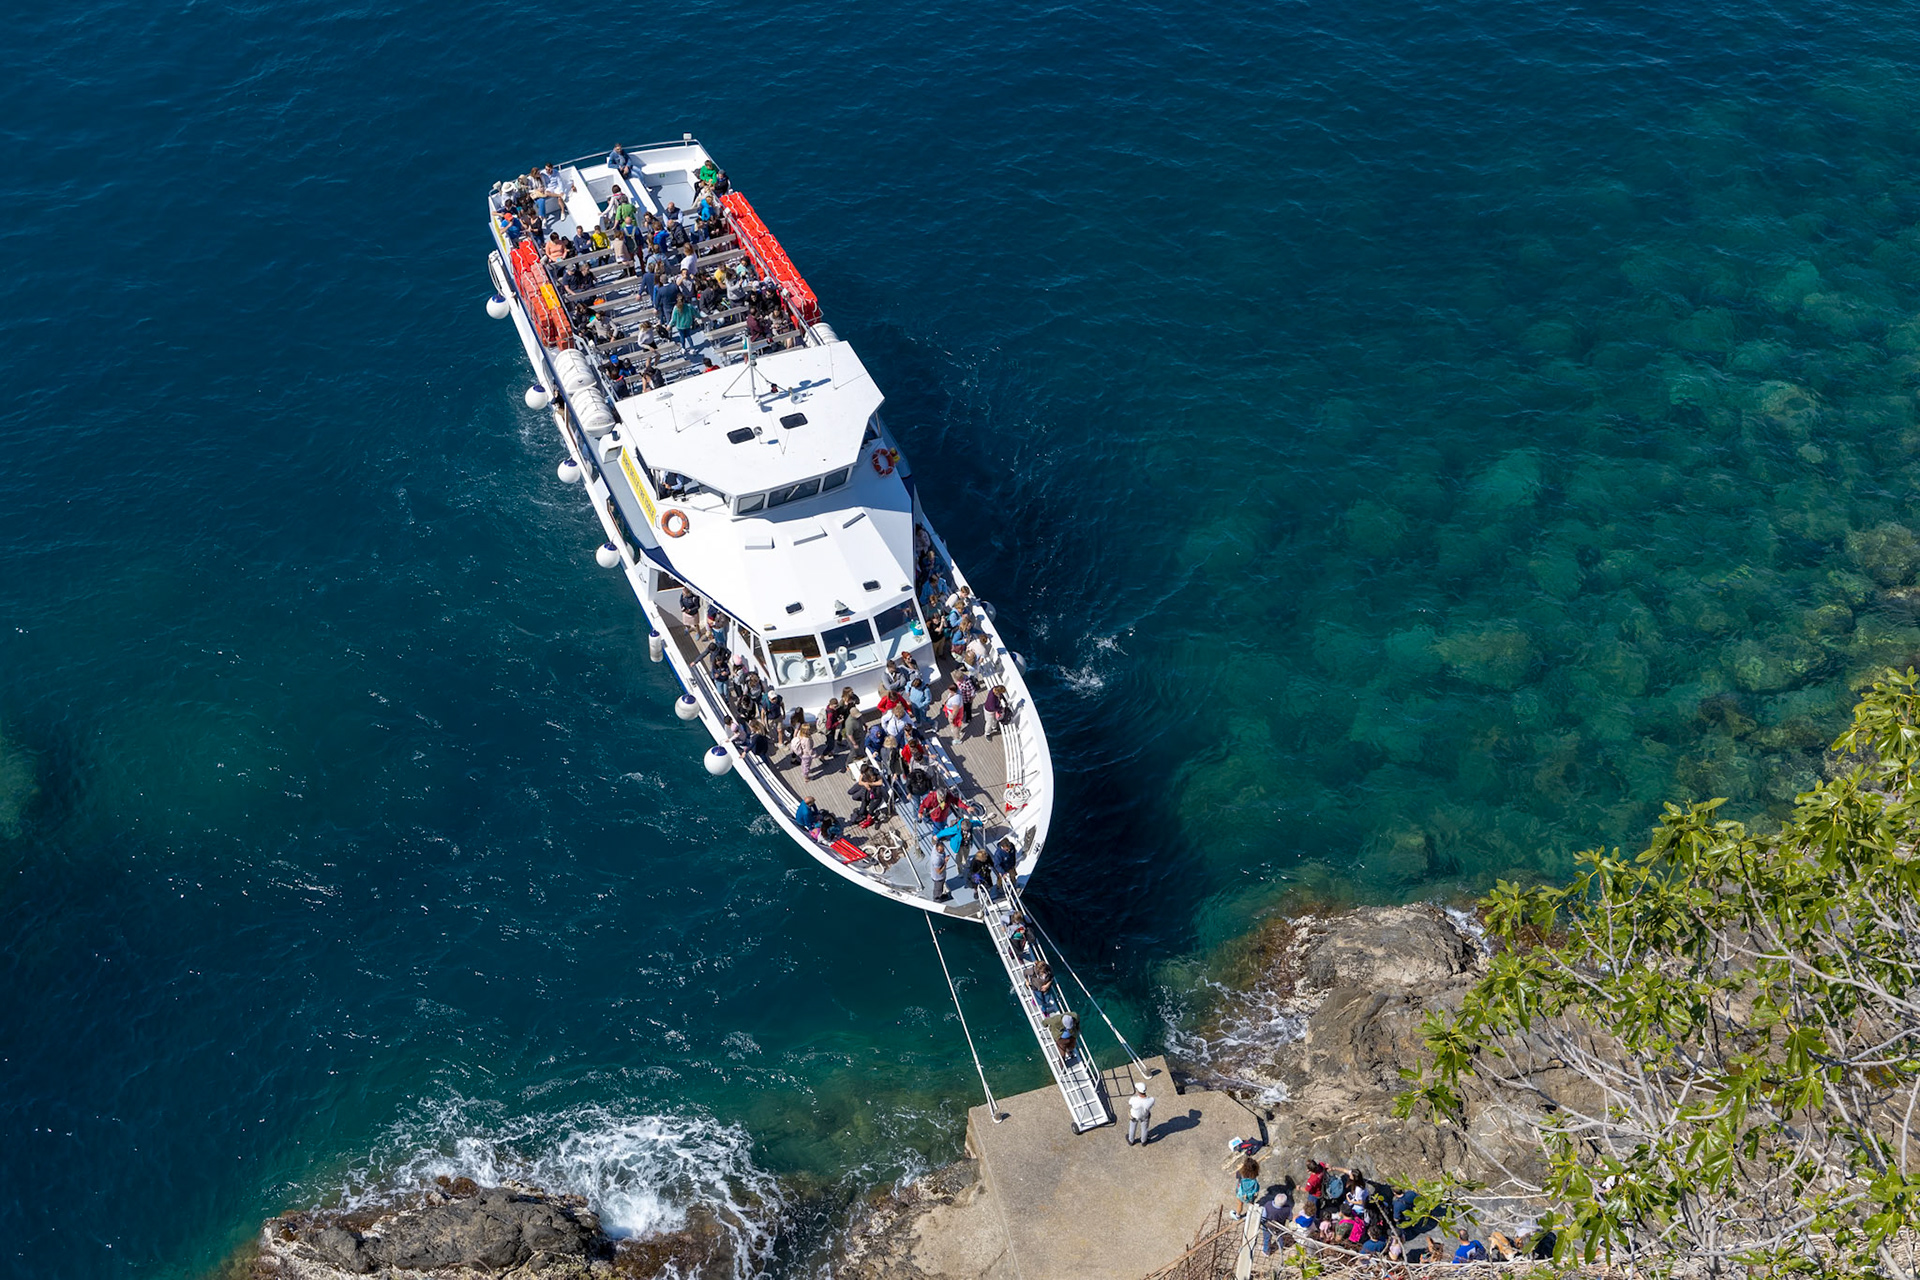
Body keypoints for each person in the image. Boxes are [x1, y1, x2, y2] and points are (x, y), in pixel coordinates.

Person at [1123, 1079, 1154, 1146]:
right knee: (1144, 1129)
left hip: (1134, 1116)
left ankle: (1131, 1140)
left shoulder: (1134, 1099)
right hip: (1145, 1116)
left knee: (1132, 1128)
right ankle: (1144, 1141)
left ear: (1138, 1091)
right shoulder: (1151, 1100)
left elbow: (1129, 1103)